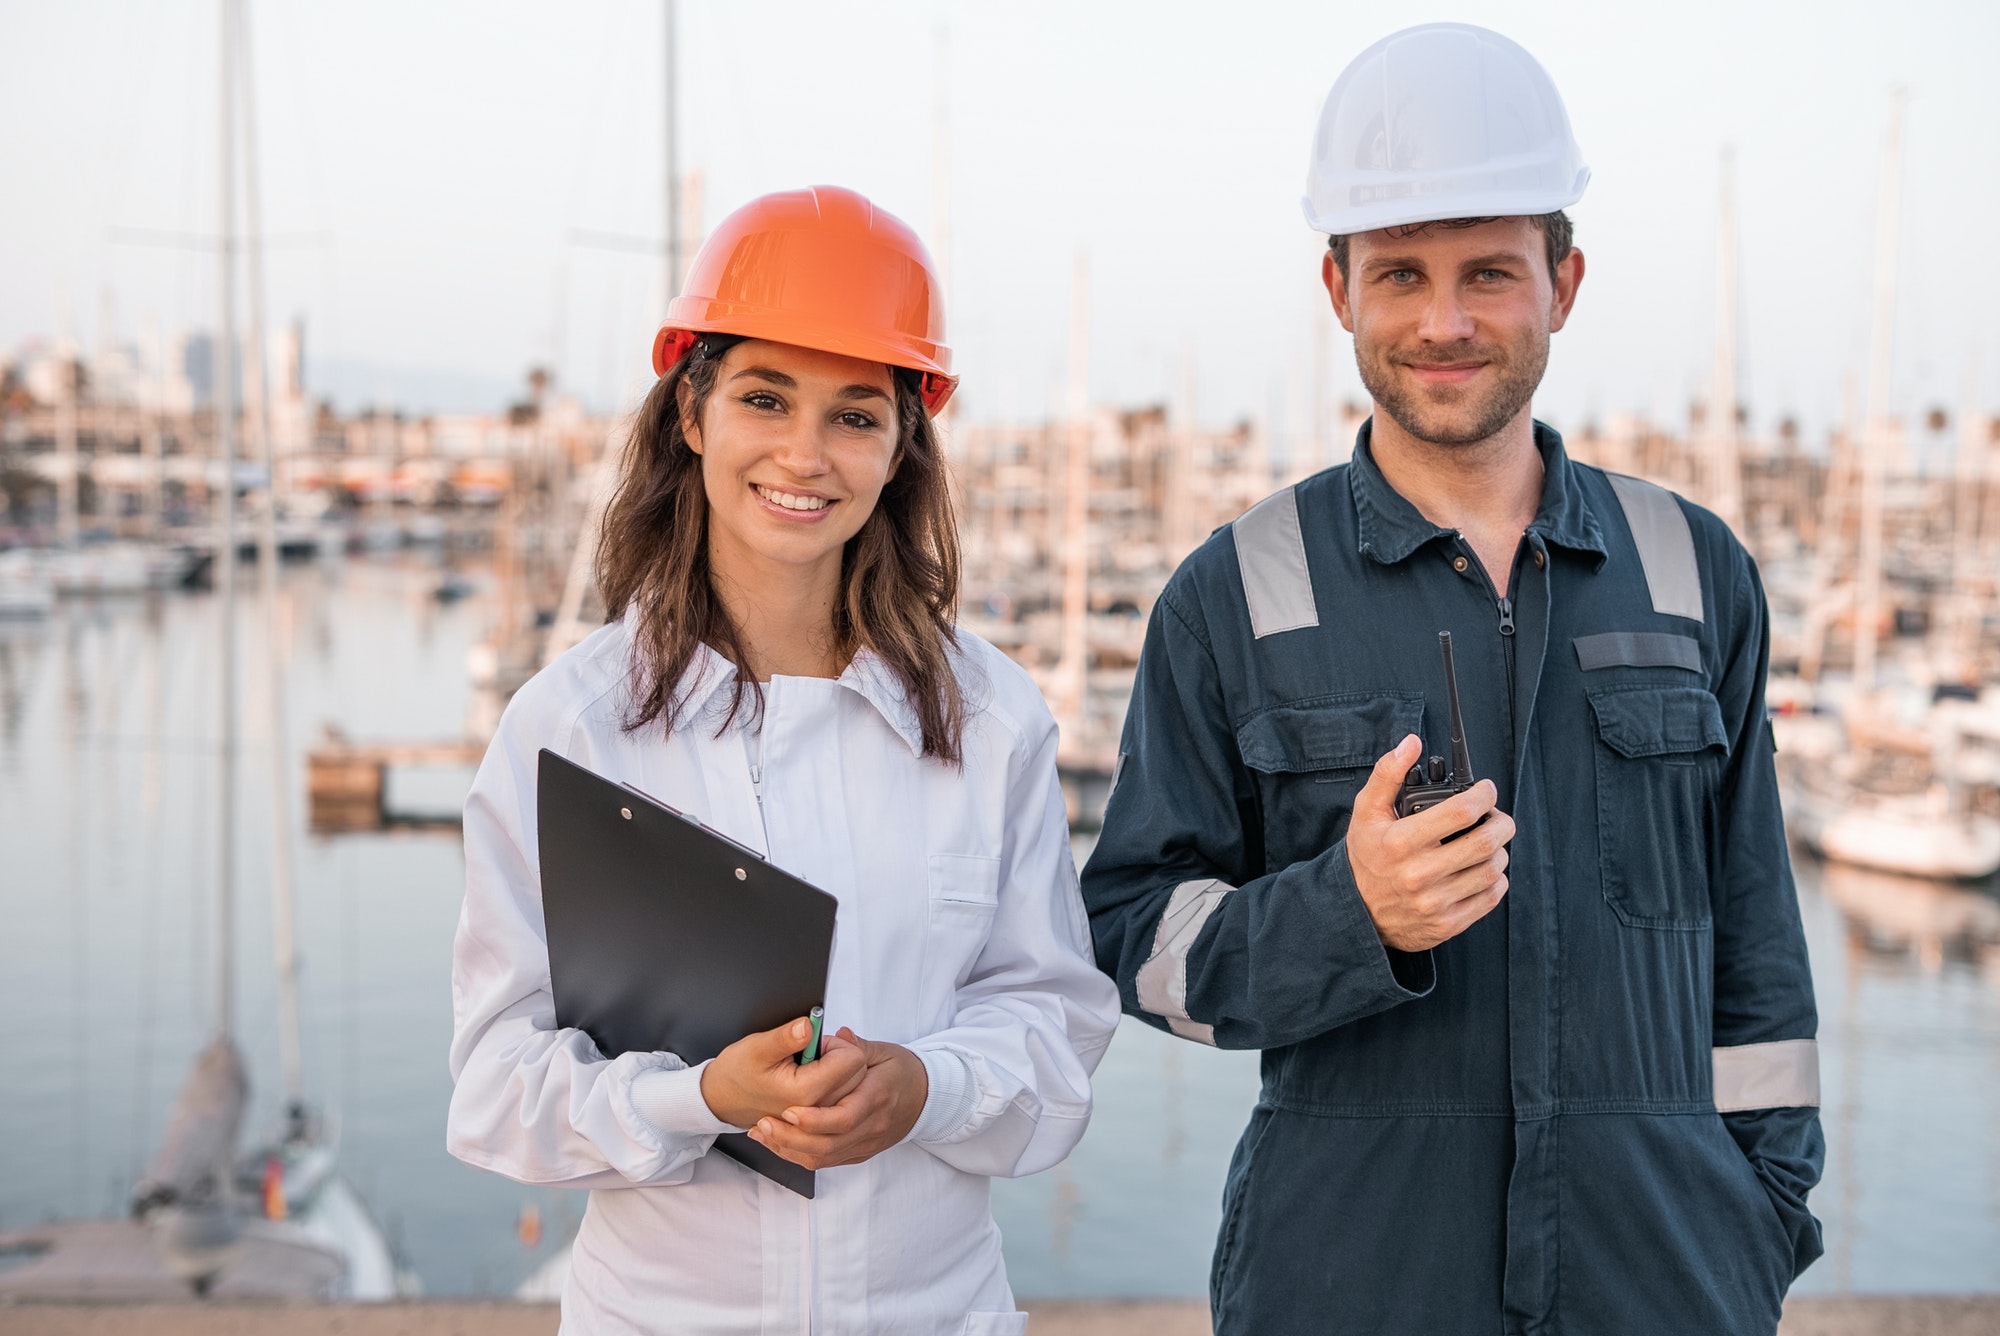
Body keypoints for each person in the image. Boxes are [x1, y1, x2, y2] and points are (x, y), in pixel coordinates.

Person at [1082, 23, 1822, 1336]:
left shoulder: (1692, 569)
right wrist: (1343, 913)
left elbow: (1758, 944)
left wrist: (1757, 1213)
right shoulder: (1235, 590)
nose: (1442, 322)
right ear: (1337, 288)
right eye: (1400, 274)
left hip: (1665, 1283)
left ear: (1565, 281)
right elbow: (1133, 938)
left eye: (1488, 271)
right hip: (1346, 1283)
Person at [447, 185, 1120, 1336]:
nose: (805, 455)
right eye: (766, 397)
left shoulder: (992, 717)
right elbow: (498, 1090)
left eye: (856, 414)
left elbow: (1053, 1034)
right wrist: (697, 1097)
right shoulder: (569, 729)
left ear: (904, 441)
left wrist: (923, 1088)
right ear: (693, 412)